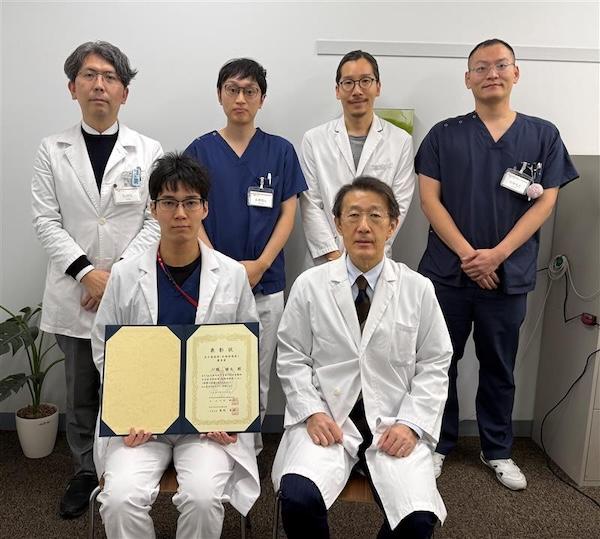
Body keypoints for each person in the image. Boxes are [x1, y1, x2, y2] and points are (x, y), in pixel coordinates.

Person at [416, 38, 579, 490]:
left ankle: (498, 449)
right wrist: (470, 256)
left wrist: (498, 255)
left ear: (516, 73)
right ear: (467, 78)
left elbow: (545, 202)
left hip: (508, 276)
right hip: (448, 274)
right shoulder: (444, 135)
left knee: (499, 366)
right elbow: (429, 201)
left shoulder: (542, 135)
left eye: (501, 65)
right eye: (481, 67)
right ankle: (437, 443)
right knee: (437, 363)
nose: (492, 73)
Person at [91, 152, 261, 538]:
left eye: (190, 202)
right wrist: (127, 407)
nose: (180, 213)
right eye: (168, 202)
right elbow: (104, 347)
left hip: (206, 425)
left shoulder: (231, 275)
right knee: (119, 499)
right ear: (153, 209)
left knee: (203, 497)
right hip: (142, 421)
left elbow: (246, 353)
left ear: (205, 208)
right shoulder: (125, 274)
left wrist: (230, 417)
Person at [272, 177, 452, 539]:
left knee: (417, 518)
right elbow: (292, 357)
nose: (364, 227)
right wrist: (312, 411)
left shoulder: (417, 289)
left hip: (393, 421)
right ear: (338, 224)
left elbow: (434, 364)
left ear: (393, 225)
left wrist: (412, 424)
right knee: (298, 497)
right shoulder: (310, 285)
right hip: (328, 419)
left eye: (375, 216)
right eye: (353, 216)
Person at [31, 41, 162, 518]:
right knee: (81, 392)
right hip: (75, 292)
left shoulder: (148, 150)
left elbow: (155, 221)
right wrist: (87, 274)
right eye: (89, 75)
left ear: (125, 92)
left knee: (129, 384)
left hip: (129, 290)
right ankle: (86, 471)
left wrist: (114, 278)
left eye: (110, 77)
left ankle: (127, 469)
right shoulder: (52, 150)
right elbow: (46, 220)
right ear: (73, 88)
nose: (99, 85)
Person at [184, 58, 307, 418]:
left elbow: (288, 213)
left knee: (258, 370)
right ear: (219, 95)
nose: (240, 98)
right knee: (213, 370)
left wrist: (262, 264)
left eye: (249, 91)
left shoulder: (281, 151)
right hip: (212, 279)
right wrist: (220, 266)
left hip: (265, 282)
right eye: (232, 90)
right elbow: (190, 213)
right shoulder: (200, 151)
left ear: (261, 99)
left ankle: (251, 442)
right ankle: (213, 438)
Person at [299, 50, 415, 264]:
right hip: (326, 260)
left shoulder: (401, 141)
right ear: (337, 90)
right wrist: (334, 256)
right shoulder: (314, 140)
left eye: (365, 81)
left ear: (378, 87)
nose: (357, 90)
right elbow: (311, 204)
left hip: (376, 258)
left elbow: (398, 205)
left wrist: (371, 249)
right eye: (348, 83)